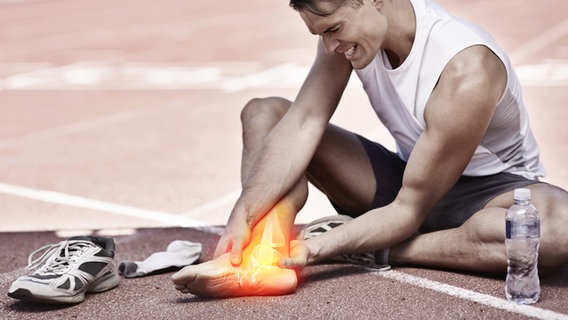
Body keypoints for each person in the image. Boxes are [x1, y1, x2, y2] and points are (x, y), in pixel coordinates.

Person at [172, 0, 568, 296]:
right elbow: (303, 121)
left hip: (489, 192)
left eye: (334, 29)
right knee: (264, 113)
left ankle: (380, 249)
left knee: (557, 230)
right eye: (321, 34)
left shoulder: (467, 69)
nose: (329, 47)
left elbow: (409, 209)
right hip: (408, 175)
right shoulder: (351, 32)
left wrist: (317, 248)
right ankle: (264, 258)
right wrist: (244, 212)